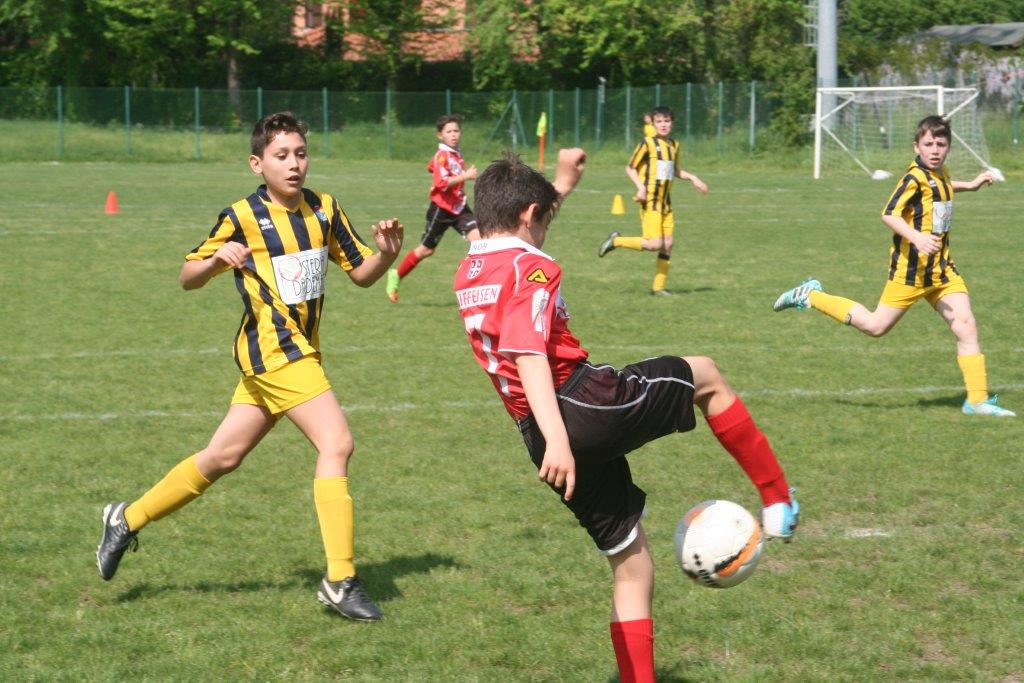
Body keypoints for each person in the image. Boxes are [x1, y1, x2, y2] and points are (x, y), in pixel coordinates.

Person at [454, 148, 798, 682]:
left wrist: (561, 185)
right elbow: (528, 353)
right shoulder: (532, 266)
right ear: (529, 215)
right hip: (581, 405)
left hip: (536, 437)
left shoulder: (470, 266)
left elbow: (516, 229)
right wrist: (561, 437)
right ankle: (777, 499)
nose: (545, 233)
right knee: (706, 374)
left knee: (632, 565)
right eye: (545, 221)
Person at [95, 112, 405, 621]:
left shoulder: (325, 208)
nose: (294, 164)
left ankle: (126, 519)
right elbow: (187, 276)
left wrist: (388, 255)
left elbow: (362, 274)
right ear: (257, 164)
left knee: (221, 457)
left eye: (300, 153)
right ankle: (340, 579)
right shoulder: (240, 215)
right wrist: (217, 262)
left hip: (292, 352)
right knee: (337, 443)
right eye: (281, 156)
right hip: (276, 351)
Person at [773, 115, 1014, 417]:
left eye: (941, 144)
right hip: (909, 274)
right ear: (917, 147)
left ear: (949, 147)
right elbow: (888, 213)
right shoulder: (912, 179)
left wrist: (972, 185)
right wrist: (917, 238)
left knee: (966, 325)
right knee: (875, 327)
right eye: (928, 144)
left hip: (941, 271)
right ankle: (810, 295)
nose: (935, 150)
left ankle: (976, 401)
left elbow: (942, 188)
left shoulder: (940, 173)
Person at [598, 105, 708, 296]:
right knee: (654, 244)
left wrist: (693, 178)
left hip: (666, 204)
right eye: (659, 121)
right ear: (654, 124)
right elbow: (630, 168)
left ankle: (658, 288)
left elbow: (675, 170)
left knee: (668, 244)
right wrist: (640, 187)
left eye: (667, 121)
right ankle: (616, 241)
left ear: (672, 123)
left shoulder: (674, 145)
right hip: (650, 202)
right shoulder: (647, 144)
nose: (663, 124)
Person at [386, 114, 478, 302]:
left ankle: (471, 282)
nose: (454, 134)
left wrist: (436, 168)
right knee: (426, 250)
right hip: (441, 210)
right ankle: (396, 274)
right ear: (440, 135)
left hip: (460, 207)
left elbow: (432, 167)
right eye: (449, 131)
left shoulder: (454, 154)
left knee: (480, 241)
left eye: (456, 130)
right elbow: (441, 183)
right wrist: (466, 176)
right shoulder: (442, 155)